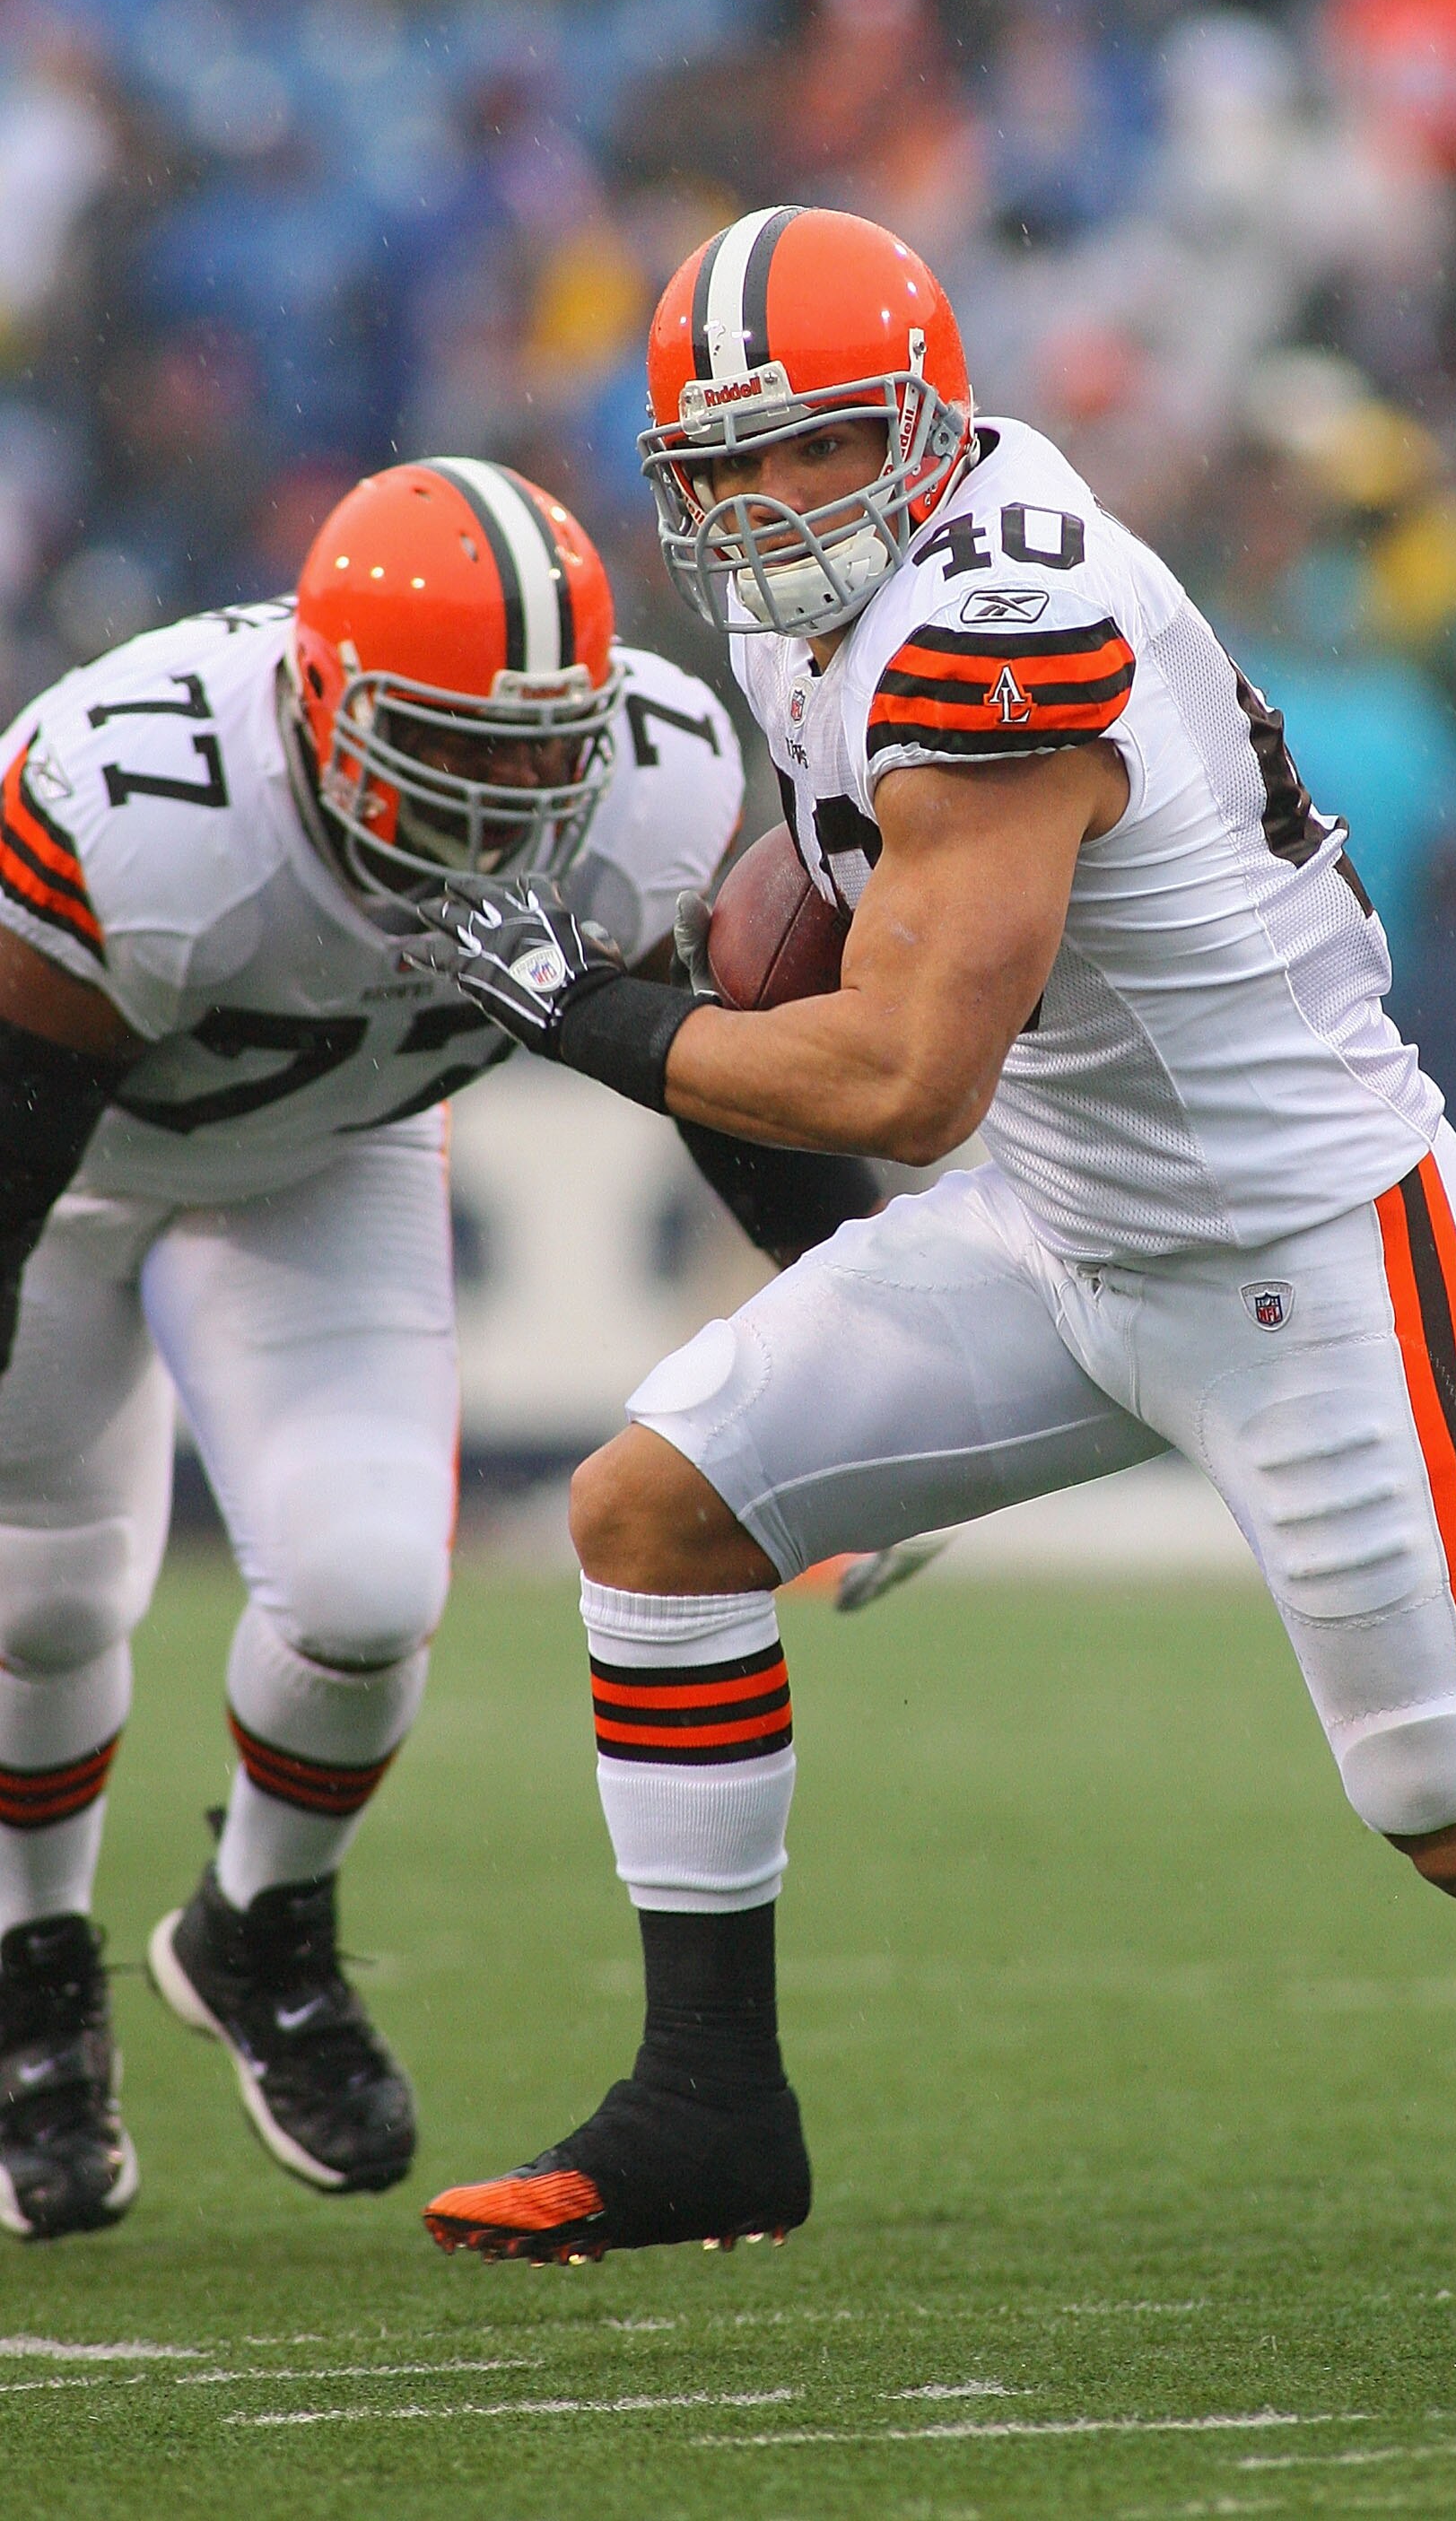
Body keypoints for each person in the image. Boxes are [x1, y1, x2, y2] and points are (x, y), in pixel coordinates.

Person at [412, 207, 1456, 2271]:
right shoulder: (825, 607)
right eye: (720, 465)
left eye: (810, 447)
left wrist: (601, 1015)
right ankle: (704, 2111)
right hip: (1062, 1226)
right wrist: (710, 974)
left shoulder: (1004, 613)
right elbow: (852, 887)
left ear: (917, 425)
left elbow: (907, 1080)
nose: (762, 504)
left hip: (1299, 1245)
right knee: (653, 1515)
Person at [0, 454, 882, 2242]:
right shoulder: (139, 805)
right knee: (42, 1603)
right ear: (320, 705)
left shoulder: (656, 777)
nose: (494, 802)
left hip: (333, 1160)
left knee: (364, 1586)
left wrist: (870, 1310)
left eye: (533, 753)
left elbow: (696, 1074)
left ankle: (258, 1929)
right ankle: (33, 1975)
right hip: (71, 1178)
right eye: (446, 748)